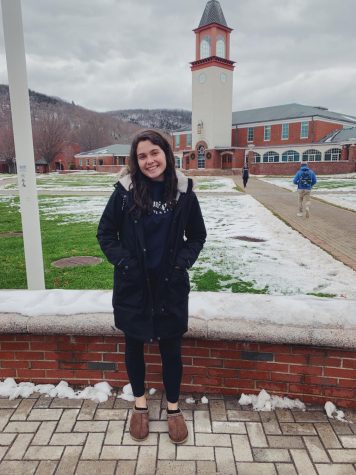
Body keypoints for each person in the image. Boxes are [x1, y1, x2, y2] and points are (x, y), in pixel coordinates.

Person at [97, 130, 206, 444]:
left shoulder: (184, 192)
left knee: (171, 350)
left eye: (154, 153)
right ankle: (140, 405)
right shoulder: (125, 192)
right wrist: (127, 264)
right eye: (142, 156)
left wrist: (180, 263)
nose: (149, 161)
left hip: (170, 286)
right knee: (134, 347)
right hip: (134, 286)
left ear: (166, 154)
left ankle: (173, 409)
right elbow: (105, 234)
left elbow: (197, 236)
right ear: (135, 160)